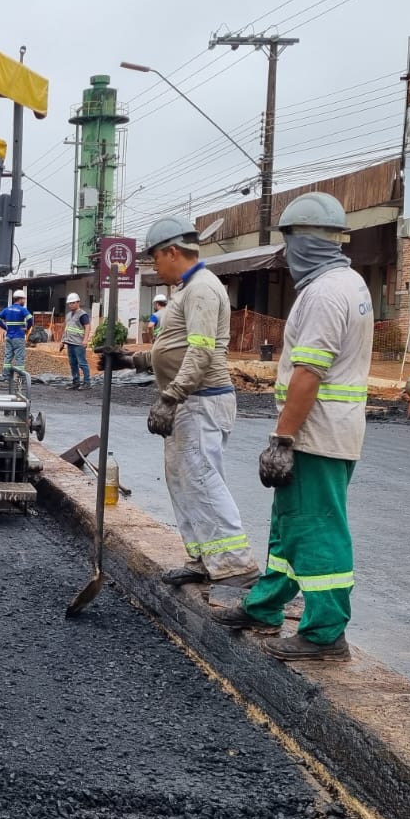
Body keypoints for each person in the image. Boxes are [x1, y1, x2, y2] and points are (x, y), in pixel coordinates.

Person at [210, 193, 373, 662]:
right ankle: (265, 605)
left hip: (316, 435)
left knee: (318, 529)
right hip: (330, 431)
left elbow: (309, 373)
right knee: (289, 527)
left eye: (289, 241)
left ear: (304, 241)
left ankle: (324, 633)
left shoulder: (323, 294)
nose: (287, 253)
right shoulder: (350, 283)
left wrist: (282, 438)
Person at [105, 215, 258, 588]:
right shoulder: (187, 290)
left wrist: (171, 397)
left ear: (173, 251)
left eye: (155, 257)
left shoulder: (202, 289)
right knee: (184, 480)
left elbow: (200, 352)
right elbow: (173, 347)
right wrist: (132, 360)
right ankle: (206, 558)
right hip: (191, 401)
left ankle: (235, 565)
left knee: (202, 478)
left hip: (200, 400)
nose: (154, 266)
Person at [0, 288, 33, 395]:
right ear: (20, 299)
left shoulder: (7, 309)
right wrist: (27, 328)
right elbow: (30, 318)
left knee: (8, 356)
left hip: (9, 337)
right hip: (18, 336)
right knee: (19, 357)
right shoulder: (22, 309)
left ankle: (5, 376)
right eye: (23, 299)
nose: (24, 301)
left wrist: (5, 327)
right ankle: (20, 377)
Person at [58, 292, 91, 390]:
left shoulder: (82, 315)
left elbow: (87, 327)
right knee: (73, 364)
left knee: (82, 363)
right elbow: (66, 328)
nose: (71, 305)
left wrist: (85, 340)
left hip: (79, 344)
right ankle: (76, 382)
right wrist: (62, 341)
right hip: (70, 343)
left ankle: (87, 383)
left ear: (78, 302)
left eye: (73, 303)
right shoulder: (68, 315)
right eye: (70, 303)